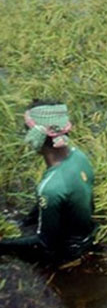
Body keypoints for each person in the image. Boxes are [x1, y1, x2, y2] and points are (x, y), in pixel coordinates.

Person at [0, 101, 97, 264]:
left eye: (26, 130)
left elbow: (45, 242)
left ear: (37, 135)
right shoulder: (79, 156)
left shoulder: (50, 188)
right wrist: (25, 221)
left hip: (69, 251)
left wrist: (3, 245)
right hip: (88, 233)